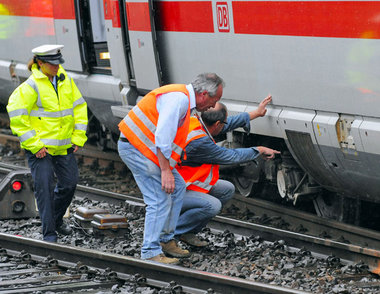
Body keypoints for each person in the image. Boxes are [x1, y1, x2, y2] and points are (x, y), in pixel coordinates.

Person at [118, 73, 224, 264]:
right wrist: (166, 171)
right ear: (204, 94)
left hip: (146, 149)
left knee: (178, 188)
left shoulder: (184, 99)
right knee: (159, 200)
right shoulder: (179, 100)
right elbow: (163, 136)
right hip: (137, 148)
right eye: (214, 100)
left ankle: (166, 240)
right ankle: (150, 251)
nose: (212, 106)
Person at [6, 44, 88, 243]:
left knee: (69, 184)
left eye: (58, 63)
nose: (57, 67)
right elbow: (17, 116)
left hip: (63, 146)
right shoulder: (31, 86)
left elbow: (79, 108)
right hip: (40, 149)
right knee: (44, 188)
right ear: (40, 64)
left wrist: (77, 138)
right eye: (52, 64)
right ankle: (49, 234)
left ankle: (56, 220)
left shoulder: (65, 81)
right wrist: (35, 145)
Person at [175, 96, 280, 247]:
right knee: (213, 206)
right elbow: (231, 156)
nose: (225, 125)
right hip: (175, 190)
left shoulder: (196, 122)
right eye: (223, 123)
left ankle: (188, 231)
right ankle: (172, 235)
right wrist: (258, 150)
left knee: (226, 189)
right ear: (217, 123)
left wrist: (256, 113)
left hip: (188, 183)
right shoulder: (199, 142)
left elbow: (227, 124)